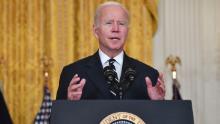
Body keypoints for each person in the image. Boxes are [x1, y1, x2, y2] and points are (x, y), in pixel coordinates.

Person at [56, 1, 165, 100]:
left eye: (121, 23)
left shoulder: (149, 76)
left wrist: (158, 104)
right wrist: (68, 103)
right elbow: (57, 119)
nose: (115, 29)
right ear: (95, 31)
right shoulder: (72, 74)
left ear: (127, 31)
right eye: (109, 23)